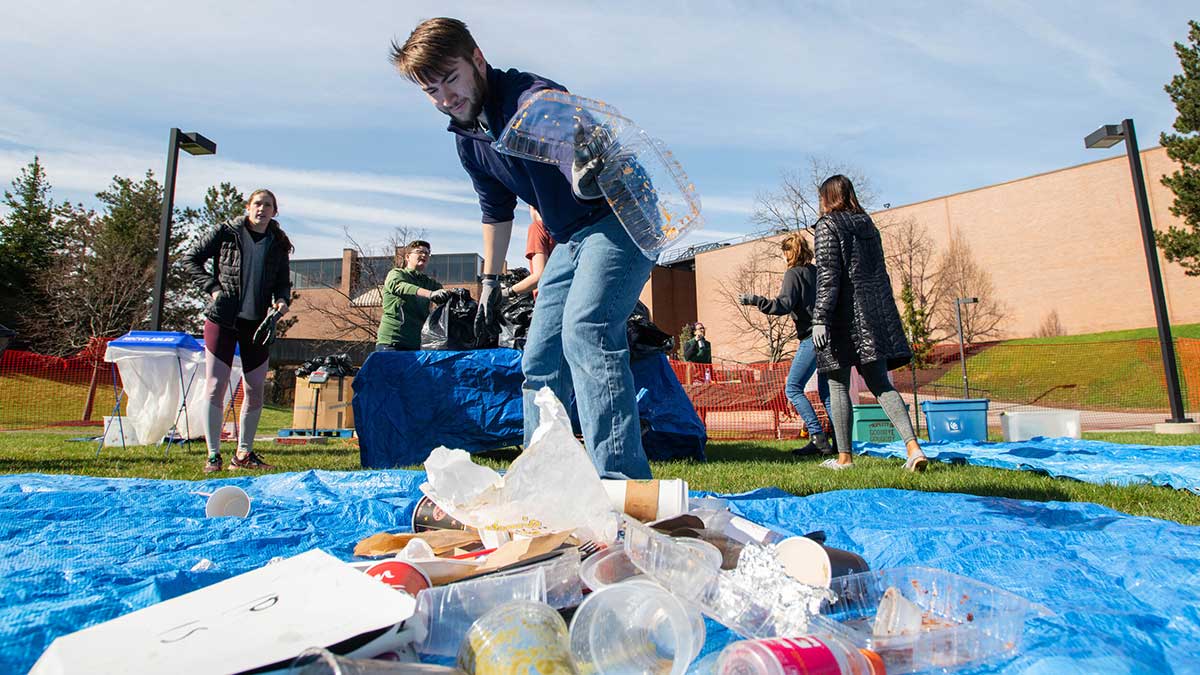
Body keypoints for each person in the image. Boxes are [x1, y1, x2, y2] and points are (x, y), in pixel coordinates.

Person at [391, 18, 655, 479]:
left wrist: (581, 161)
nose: (445, 97)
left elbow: (559, 121)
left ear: (476, 59)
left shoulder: (528, 96)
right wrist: (491, 283)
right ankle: (545, 481)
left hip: (621, 216)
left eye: (451, 78)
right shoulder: (469, 140)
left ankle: (622, 486)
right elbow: (495, 210)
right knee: (540, 358)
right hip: (571, 236)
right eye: (431, 90)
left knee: (587, 331)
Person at [811, 175, 927, 471]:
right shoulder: (868, 226)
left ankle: (844, 458)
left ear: (827, 197)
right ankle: (913, 448)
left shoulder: (827, 225)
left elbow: (828, 275)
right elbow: (879, 274)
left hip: (840, 317)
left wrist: (821, 318)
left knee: (837, 385)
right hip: (872, 314)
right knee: (879, 383)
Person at [184, 189, 291, 473]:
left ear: (274, 211)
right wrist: (214, 289)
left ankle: (243, 454)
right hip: (223, 319)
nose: (262, 209)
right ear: (248, 207)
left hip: (257, 324)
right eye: (258, 204)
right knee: (216, 386)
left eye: (268, 205)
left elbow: (283, 283)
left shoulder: (278, 243)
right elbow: (191, 259)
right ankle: (213, 455)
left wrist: (282, 301)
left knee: (255, 390)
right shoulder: (226, 232)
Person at [739, 232, 834, 456]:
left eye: (784, 253)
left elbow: (784, 305)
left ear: (789, 253)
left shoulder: (794, 274)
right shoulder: (817, 272)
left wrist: (756, 300)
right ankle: (840, 444)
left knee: (792, 387)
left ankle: (818, 437)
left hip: (811, 337)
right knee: (827, 392)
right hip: (829, 335)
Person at [376, 240, 450, 351]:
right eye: (419, 252)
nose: (424, 255)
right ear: (407, 257)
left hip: (417, 344)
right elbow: (399, 286)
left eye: (427, 253)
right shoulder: (397, 274)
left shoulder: (429, 282)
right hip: (392, 343)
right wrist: (429, 294)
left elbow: (445, 295)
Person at [508, 207, 555, 297]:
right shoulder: (565, 230)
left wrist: (508, 292)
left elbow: (539, 276)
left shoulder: (538, 227)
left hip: (549, 300)